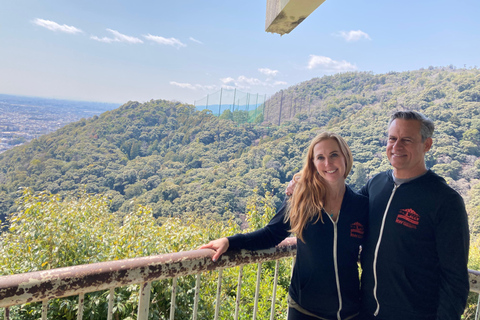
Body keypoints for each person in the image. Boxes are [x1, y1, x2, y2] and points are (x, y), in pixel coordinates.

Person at [286, 111, 470, 320]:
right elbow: (341, 200)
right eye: (392, 138)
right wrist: (304, 184)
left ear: (427, 144)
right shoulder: (376, 184)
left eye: (406, 140)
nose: (396, 146)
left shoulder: (445, 200)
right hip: (364, 312)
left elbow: (455, 279)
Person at [200, 132, 369, 320]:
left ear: (346, 156)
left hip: (351, 312)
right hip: (305, 311)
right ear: (313, 163)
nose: (328, 163)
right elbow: (271, 234)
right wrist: (229, 242)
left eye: (334, 155)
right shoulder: (301, 200)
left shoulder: (361, 206)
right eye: (320, 157)